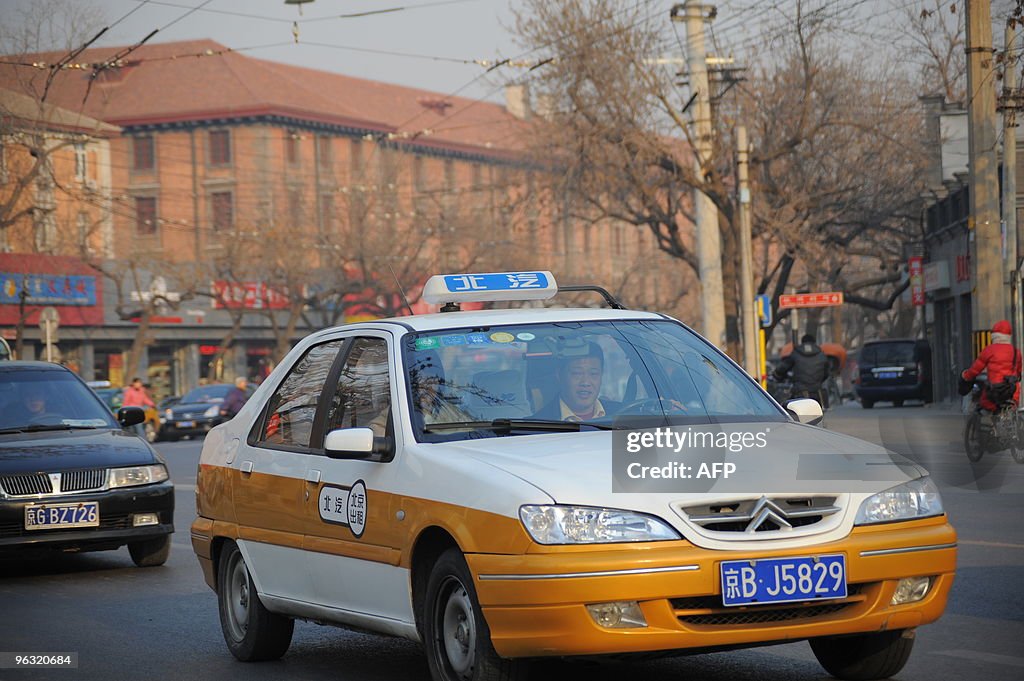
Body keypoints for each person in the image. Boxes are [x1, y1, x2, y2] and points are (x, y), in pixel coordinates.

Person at [533, 342, 621, 421]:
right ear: (559, 375)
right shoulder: (538, 423)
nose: (585, 382)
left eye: (593, 373)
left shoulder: (623, 415)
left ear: (601, 375)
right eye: (577, 373)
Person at [961, 319, 1021, 413]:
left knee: (984, 402)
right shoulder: (1016, 352)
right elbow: (1018, 373)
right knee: (1012, 404)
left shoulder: (989, 350)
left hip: (994, 390)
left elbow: (976, 369)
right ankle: (1009, 415)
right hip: (1012, 390)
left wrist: (966, 376)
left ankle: (996, 414)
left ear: (994, 336)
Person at [773, 333, 830, 405]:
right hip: (817, 392)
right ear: (814, 343)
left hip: (800, 392)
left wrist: (777, 375)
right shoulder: (821, 355)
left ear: (802, 342)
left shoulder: (796, 353)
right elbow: (826, 373)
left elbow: (783, 368)